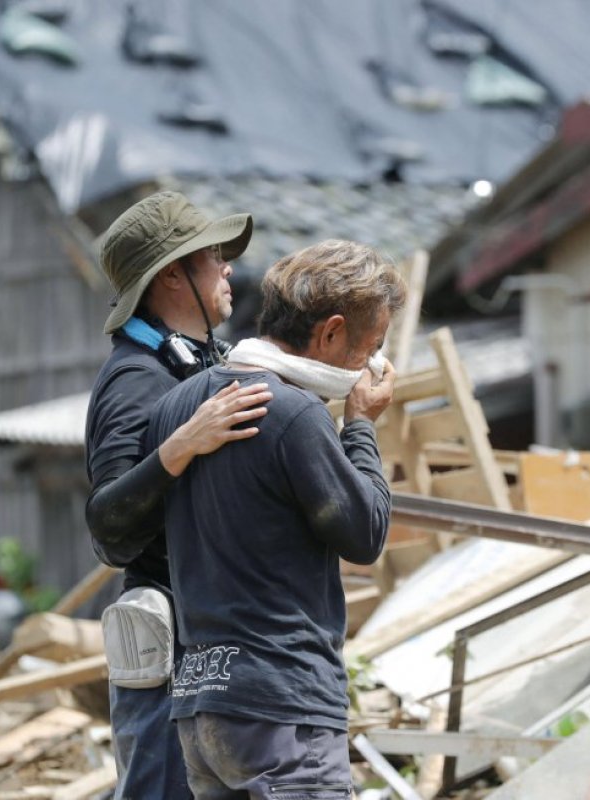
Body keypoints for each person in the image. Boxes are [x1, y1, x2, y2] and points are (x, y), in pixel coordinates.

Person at [143, 239, 404, 799]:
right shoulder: (293, 413)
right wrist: (359, 424)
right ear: (331, 332)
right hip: (282, 707)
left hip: (201, 705)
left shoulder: (177, 406)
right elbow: (365, 533)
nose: (371, 363)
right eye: (371, 346)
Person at [85, 191, 273, 799]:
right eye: (214, 257)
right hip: (166, 658)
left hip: (210, 654)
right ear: (172, 275)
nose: (228, 270)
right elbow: (111, 532)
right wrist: (182, 445)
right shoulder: (135, 379)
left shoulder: (193, 364)